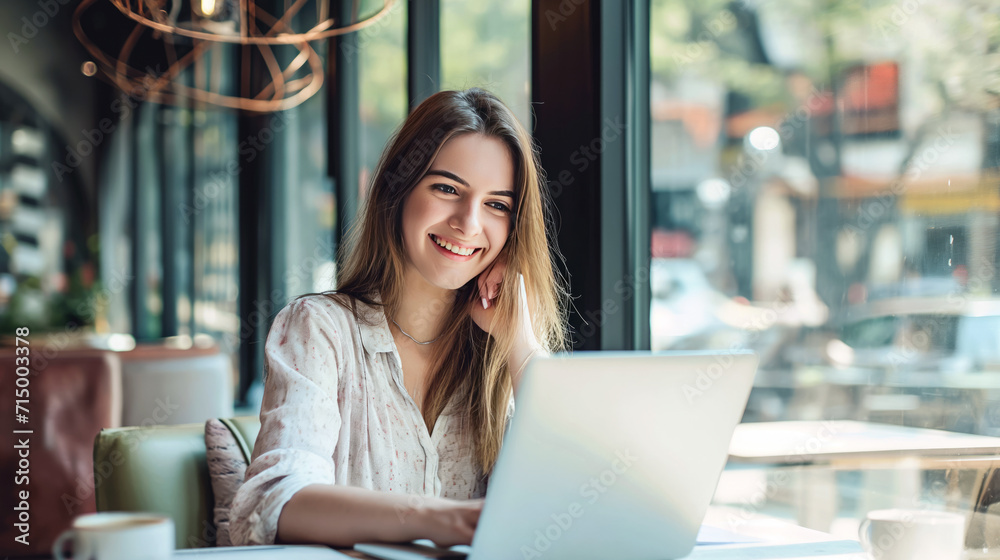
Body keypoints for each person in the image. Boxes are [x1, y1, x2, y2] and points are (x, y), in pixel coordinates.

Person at [229, 88, 571, 548]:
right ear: (397, 188)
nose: (469, 223)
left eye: (497, 205)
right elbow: (275, 502)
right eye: (447, 189)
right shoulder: (319, 329)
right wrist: (442, 520)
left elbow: (573, 500)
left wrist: (520, 345)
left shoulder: (500, 355)